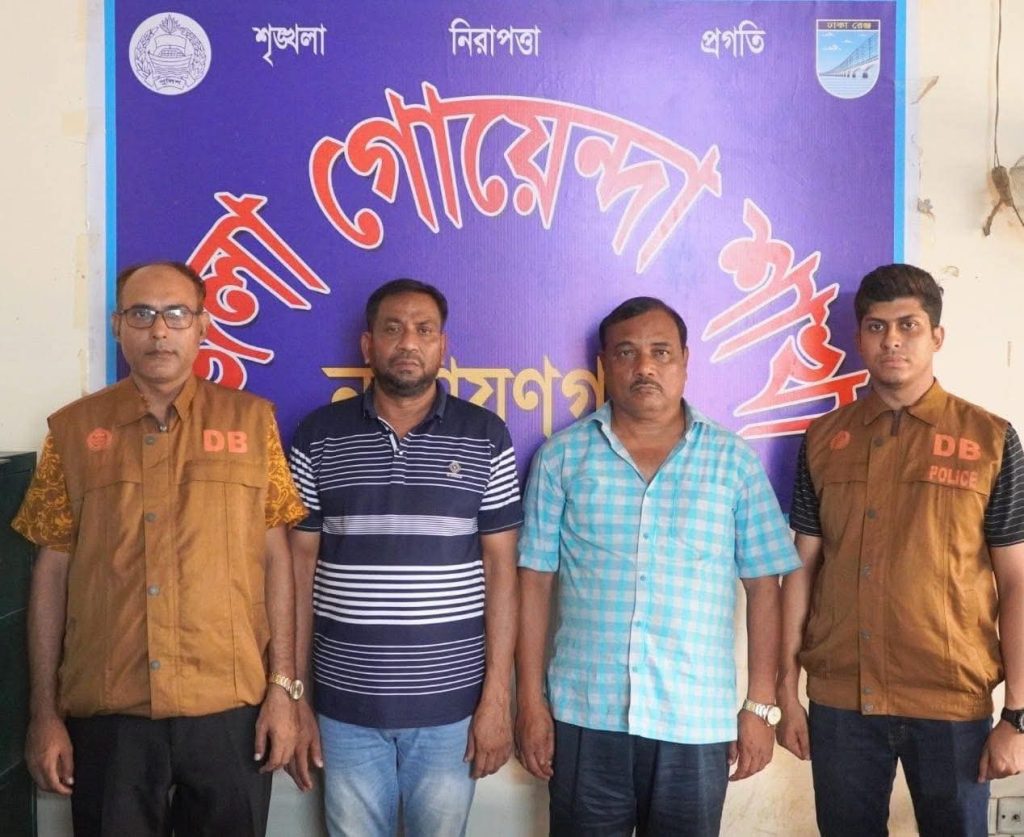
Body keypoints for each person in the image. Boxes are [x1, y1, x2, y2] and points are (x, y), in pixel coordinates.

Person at [12, 261, 307, 836]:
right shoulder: (72, 432)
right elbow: (51, 575)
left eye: (176, 314)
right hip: (110, 714)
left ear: (203, 325)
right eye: (142, 314)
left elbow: (277, 561)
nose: (159, 330)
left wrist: (283, 691)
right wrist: (43, 713)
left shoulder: (252, 424)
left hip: (231, 712)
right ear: (118, 325)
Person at [515, 296, 800, 837]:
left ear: (685, 361)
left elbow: (766, 588)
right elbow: (532, 584)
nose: (644, 366)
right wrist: (530, 702)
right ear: (604, 364)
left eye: (661, 352)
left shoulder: (733, 462)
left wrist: (760, 706)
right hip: (585, 715)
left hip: (695, 719)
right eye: (627, 353)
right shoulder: (561, 458)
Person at [778, 263, 1024, 836]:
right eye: (876, 326)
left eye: (908, 325)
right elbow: (802, 569)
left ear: (937, 336)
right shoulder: (823, 440)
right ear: (859, 338)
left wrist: (1017, 715)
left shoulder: (990, 439)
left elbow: (1015, 581)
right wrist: (786, 694)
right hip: (842, 701)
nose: (892, 340)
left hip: (951, 703)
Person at [286, 278, 523, 837]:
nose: (408, 343)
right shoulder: (318, 436)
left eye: (424, 330)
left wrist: (496, 699)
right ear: (368, 345)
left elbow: (502, 574)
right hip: (344, 705)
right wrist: (296, 695)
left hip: (450, 708)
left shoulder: (485, 435)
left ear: (443, 345)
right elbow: (296, 572)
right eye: (392, 329)